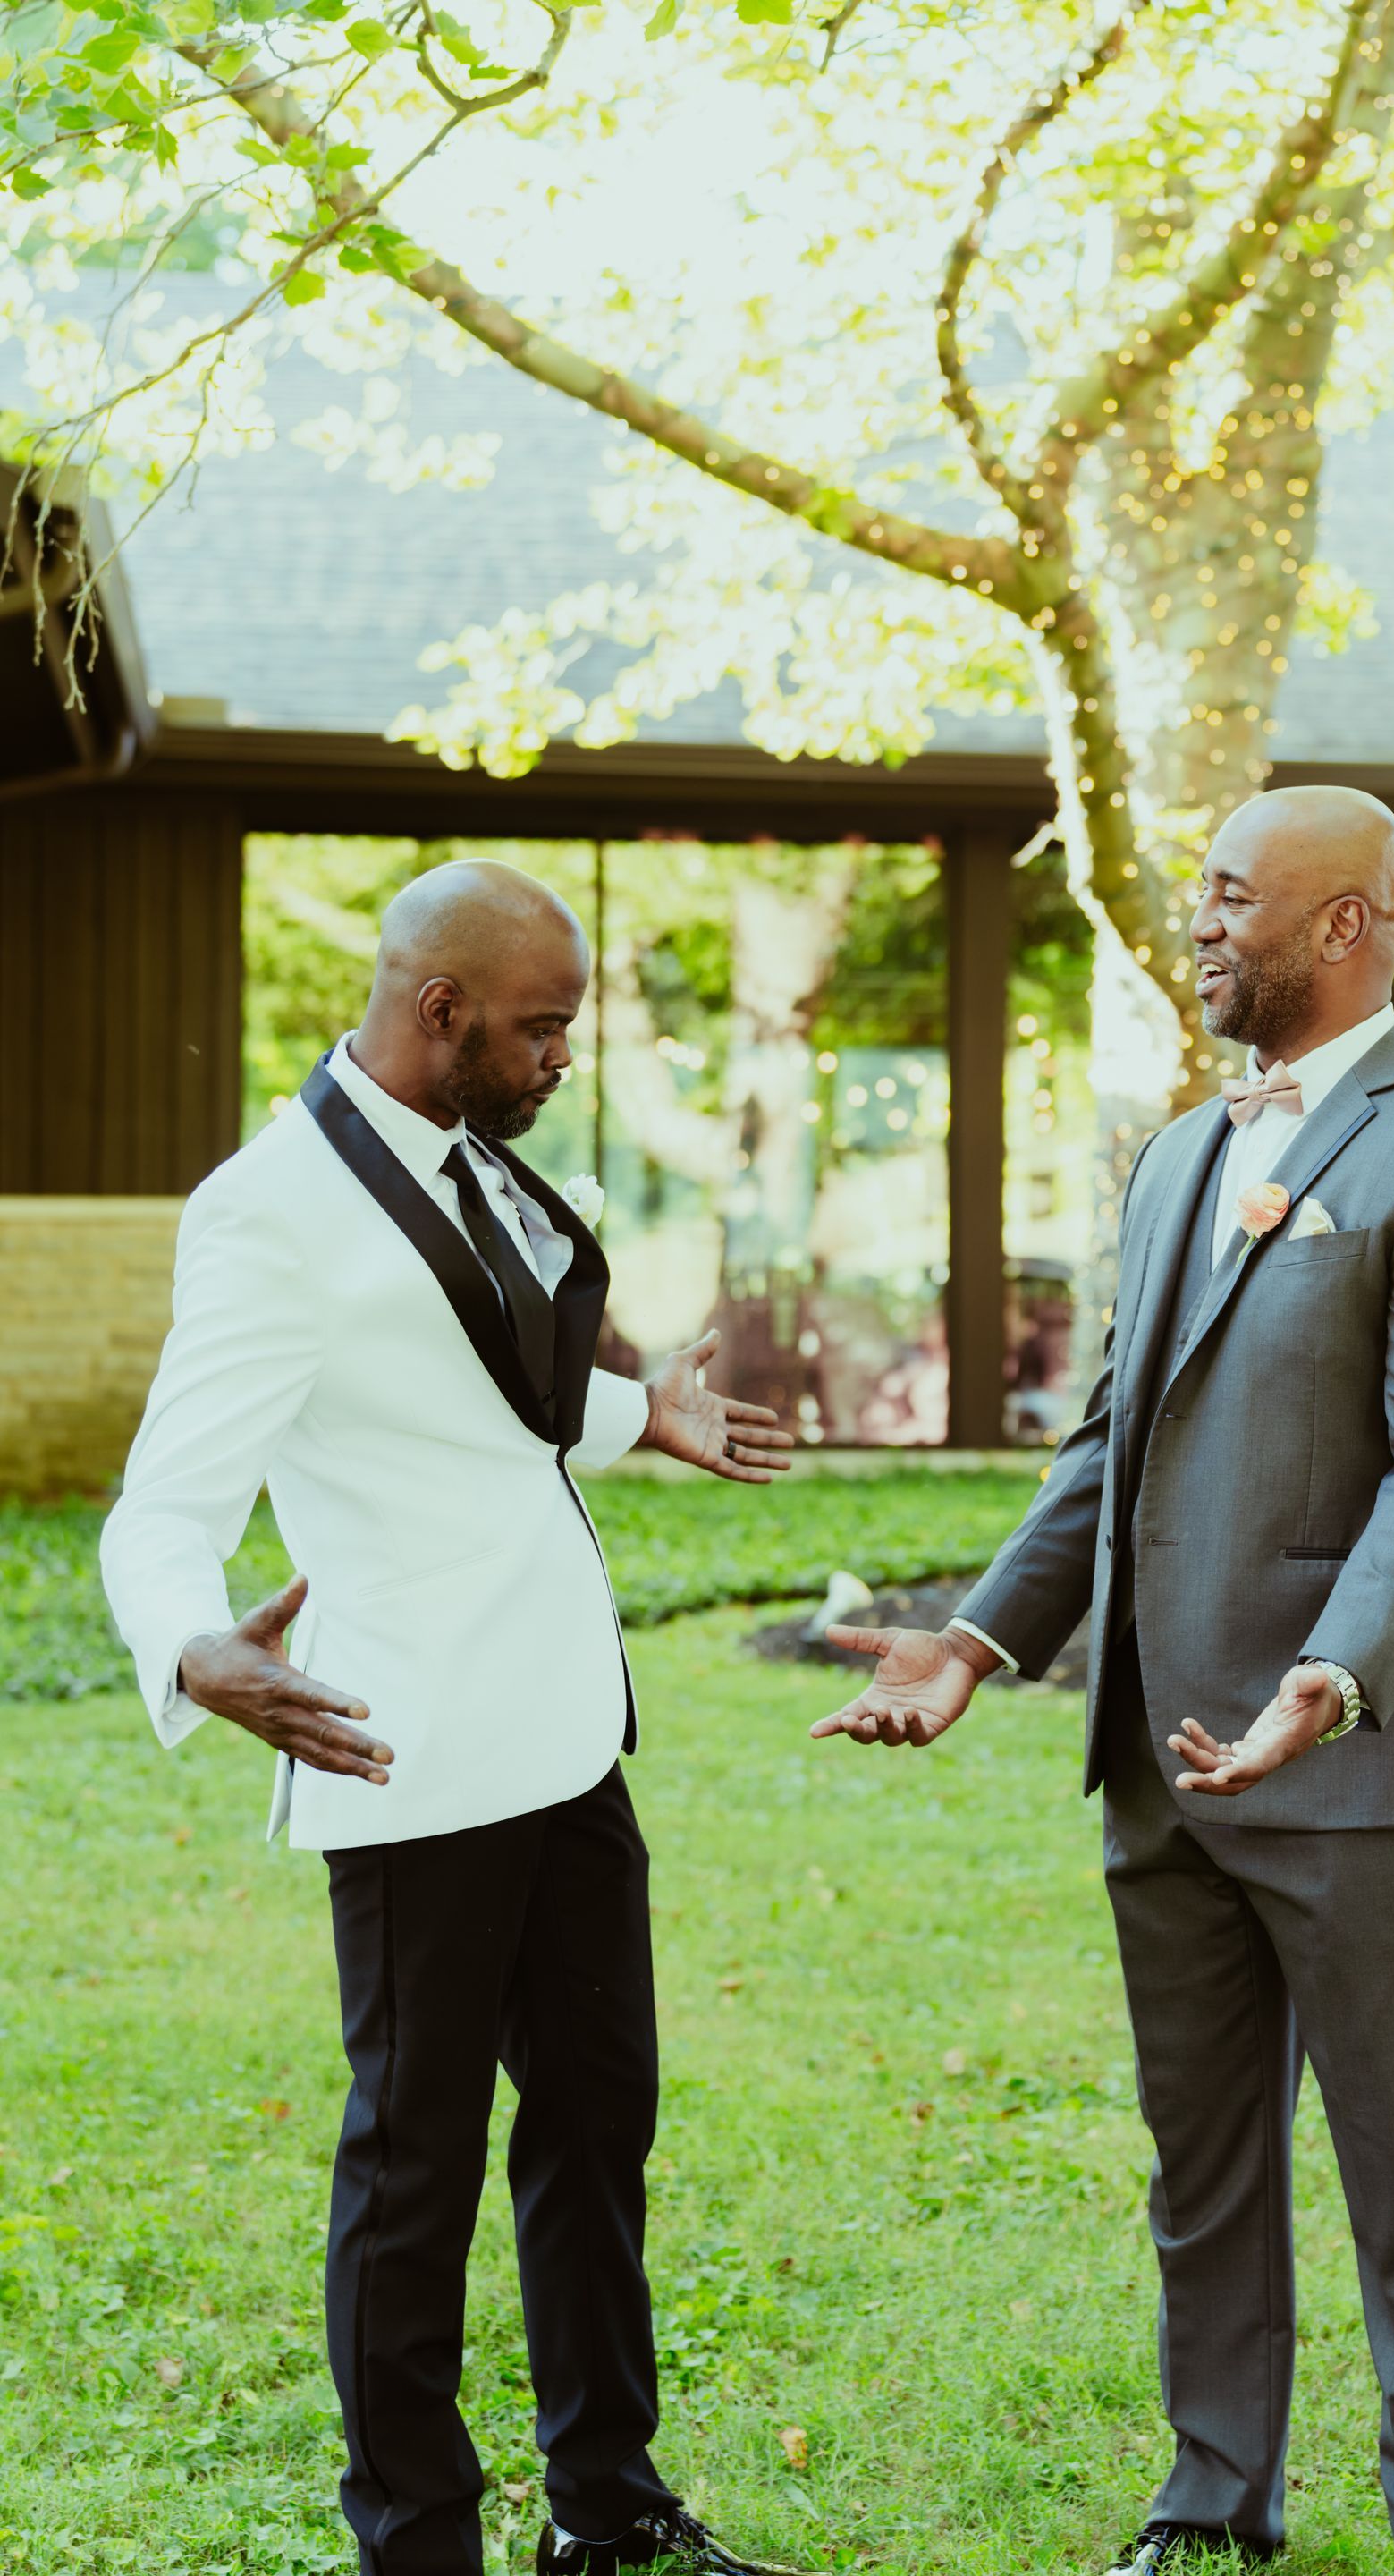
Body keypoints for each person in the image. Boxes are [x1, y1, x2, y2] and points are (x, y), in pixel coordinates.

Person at [813, 787, 1394, 2576]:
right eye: (1197, 895)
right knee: (1200, 2155)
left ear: (1345, 928)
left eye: (1233, 897)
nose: (1199, 924)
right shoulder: (1176, 1157)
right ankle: (1218, 2493)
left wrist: (1334, 1675)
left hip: (1347, 1768)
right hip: (1159, 1762)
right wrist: (980, 1639)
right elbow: (1104, 1454)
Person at [102, 860, 792, 2576]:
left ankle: (609, 2509)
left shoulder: (465, 1159)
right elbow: (160, 1504)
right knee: (412, 2180)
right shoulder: (271, 1212)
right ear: (439, 1013)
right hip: (404, 1759)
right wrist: (193, 1645)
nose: (566, 1055)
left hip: (566, 1743)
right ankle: (418, 2542)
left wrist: (646, 1419)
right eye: (544, 1026)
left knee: (594, 2128)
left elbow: (479, 1380)